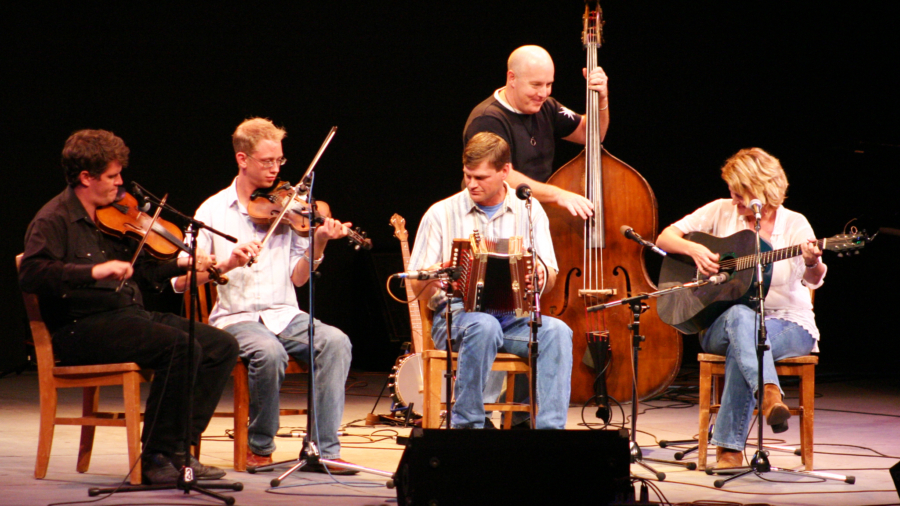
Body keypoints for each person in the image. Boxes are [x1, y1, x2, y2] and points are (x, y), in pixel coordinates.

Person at [18, 129, 240, 484]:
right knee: (180, 347)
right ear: (85, 177)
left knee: (220, 345)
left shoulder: (109, 217)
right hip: (80, 327)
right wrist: (93, 270)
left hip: (126, 316)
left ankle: (180, 451)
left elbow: (144, 273)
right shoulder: (54, 218)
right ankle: (155, 457)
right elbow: (32, 273)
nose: (120, 183)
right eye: (112, 176)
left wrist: (180, 265)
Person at [173, 117, 356, 474]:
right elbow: (180, 281)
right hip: (236, 318)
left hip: (284, 314)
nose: (275, 169)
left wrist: (318, 242)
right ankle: (260, 446)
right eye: (267, 162)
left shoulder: (289, 209)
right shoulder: (212, 211)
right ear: (242, 160)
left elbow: (299, 279)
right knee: (268, 353)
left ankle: (322, 449)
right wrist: (226, 262)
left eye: (279, 161)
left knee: (336, 342)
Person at [655, 147, 826, 471]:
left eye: (739, 195)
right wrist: (694, 250)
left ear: (761, 190)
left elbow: (815, 279)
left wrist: (812, 260)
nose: (734, 202)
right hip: (723, 321)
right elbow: (666, 237)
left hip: (788, 322)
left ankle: (729, 450)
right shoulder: (720, 211)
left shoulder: (794, 223)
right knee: (740, 318)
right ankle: (769, 393)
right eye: (732, 195)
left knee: (743, 341)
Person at [407, 132, 574, 429]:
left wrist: (540, 274)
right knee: (483, 325)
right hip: (456, 316)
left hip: (513, 317)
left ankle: (550, 433)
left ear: (505, 171)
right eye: (468, 175)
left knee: (557, 332)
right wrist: (439, 274)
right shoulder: (441, 213)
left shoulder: (529, 209)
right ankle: (470, 426)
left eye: (481, 177)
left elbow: (551, 275)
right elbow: (416, 285)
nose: (472, 184)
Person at [463, 45, 610, 220]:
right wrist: (558, 195)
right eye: (536, 85)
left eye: (549, 84)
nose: (543, 93)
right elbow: (501, 176)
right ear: (512, 78)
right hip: (497, 219)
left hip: (533, 215)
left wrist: (601, 98)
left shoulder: (547, 106)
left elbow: (593, 135)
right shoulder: (487, 119)